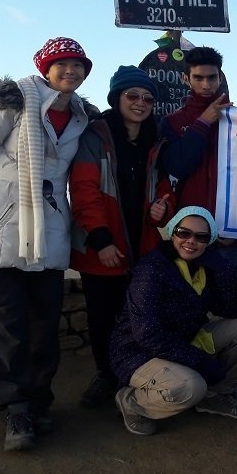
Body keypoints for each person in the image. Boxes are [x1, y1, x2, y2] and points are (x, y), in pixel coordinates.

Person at [0, 37, 95, 452]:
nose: (71, 71)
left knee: (43, 327)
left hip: (48, 233)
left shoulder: (83, 117)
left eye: (78, 65)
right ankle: (15, 409)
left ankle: (38, 401)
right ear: (45, 68)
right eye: (62, 64)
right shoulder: (11, 104)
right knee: (6, 328)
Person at [69, 65, 173, 408]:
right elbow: (84, 192)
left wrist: (162, 207)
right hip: (103, 249)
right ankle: (105, 375)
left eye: (147, 98)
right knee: (102, 318)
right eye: (133, 96)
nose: (140, 103)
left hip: (142, 247)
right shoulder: (94, 136)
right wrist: (101, 241)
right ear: (117, 97)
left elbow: (163, 188)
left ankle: (133, 376)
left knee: (138, 317)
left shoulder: (154, 139)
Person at [108, 206, 237, 436]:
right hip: (138, 352)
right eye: (183, 233)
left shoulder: (204, 269)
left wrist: (224, 268)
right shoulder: (152, 269)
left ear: (210, 241)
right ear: (172, 232)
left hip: (182, 341)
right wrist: (201, 362)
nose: (191, 241)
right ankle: (131, 401)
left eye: (201, 236)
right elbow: (148, 334)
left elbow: (235, 310)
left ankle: (216, 395)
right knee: (191, 386)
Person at [159, 47, 237, 281]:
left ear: (220, 77)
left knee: (233, 306)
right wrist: (203, 123)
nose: (206, 85)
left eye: (212, 77)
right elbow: (178, 166)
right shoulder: (172, 122)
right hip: (191, 236)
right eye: (198, 78)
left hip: (231, 234)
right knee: (188, 306)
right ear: (185, 78)